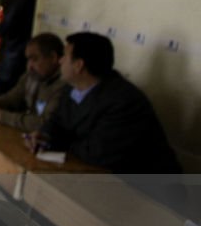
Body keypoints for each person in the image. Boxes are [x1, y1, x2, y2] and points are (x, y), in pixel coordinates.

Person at [26, 32, 180, 173]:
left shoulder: (123, 101)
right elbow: (57, 122)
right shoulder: (71, 89)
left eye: (64, 57)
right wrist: (44, 135)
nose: (59, 61)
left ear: (79, 65)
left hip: (146, 190)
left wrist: (60, 142)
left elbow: (97, 154)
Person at [0, 32, 66, 132]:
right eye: (28, 60)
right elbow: (12, 99)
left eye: (35, 59)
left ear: (53, 57)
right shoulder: (32, 75)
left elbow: (43, 124)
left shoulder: (64, 85)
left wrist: (1, 116)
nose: (30, 66)